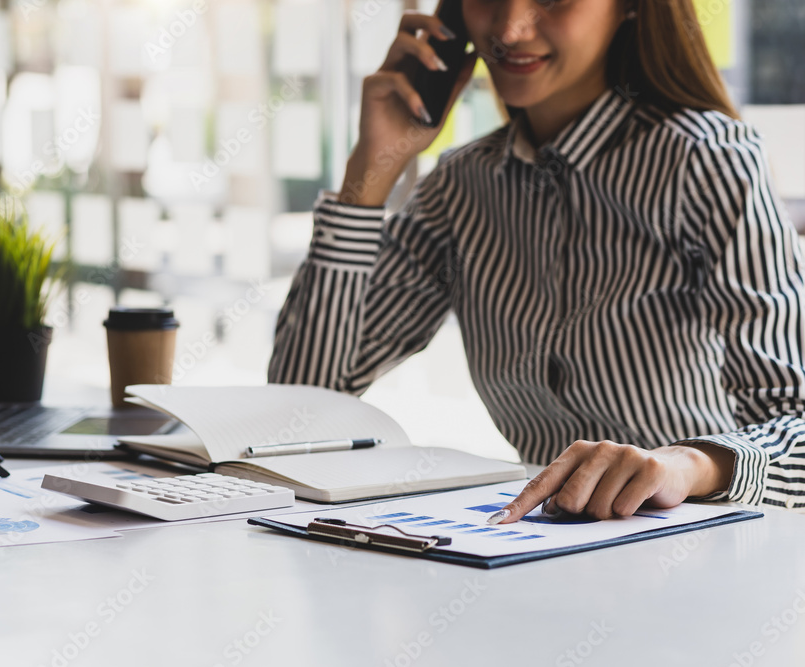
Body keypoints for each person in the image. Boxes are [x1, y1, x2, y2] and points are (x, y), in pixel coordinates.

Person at [268, 0, 805, 521]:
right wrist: (370, 170)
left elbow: (795, 428)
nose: (510, 28)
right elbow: (297, 414)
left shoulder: (708, 163)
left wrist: (687, 465)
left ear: (630, 7)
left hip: (691, 558)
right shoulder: (460, 187)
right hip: (534, 558)